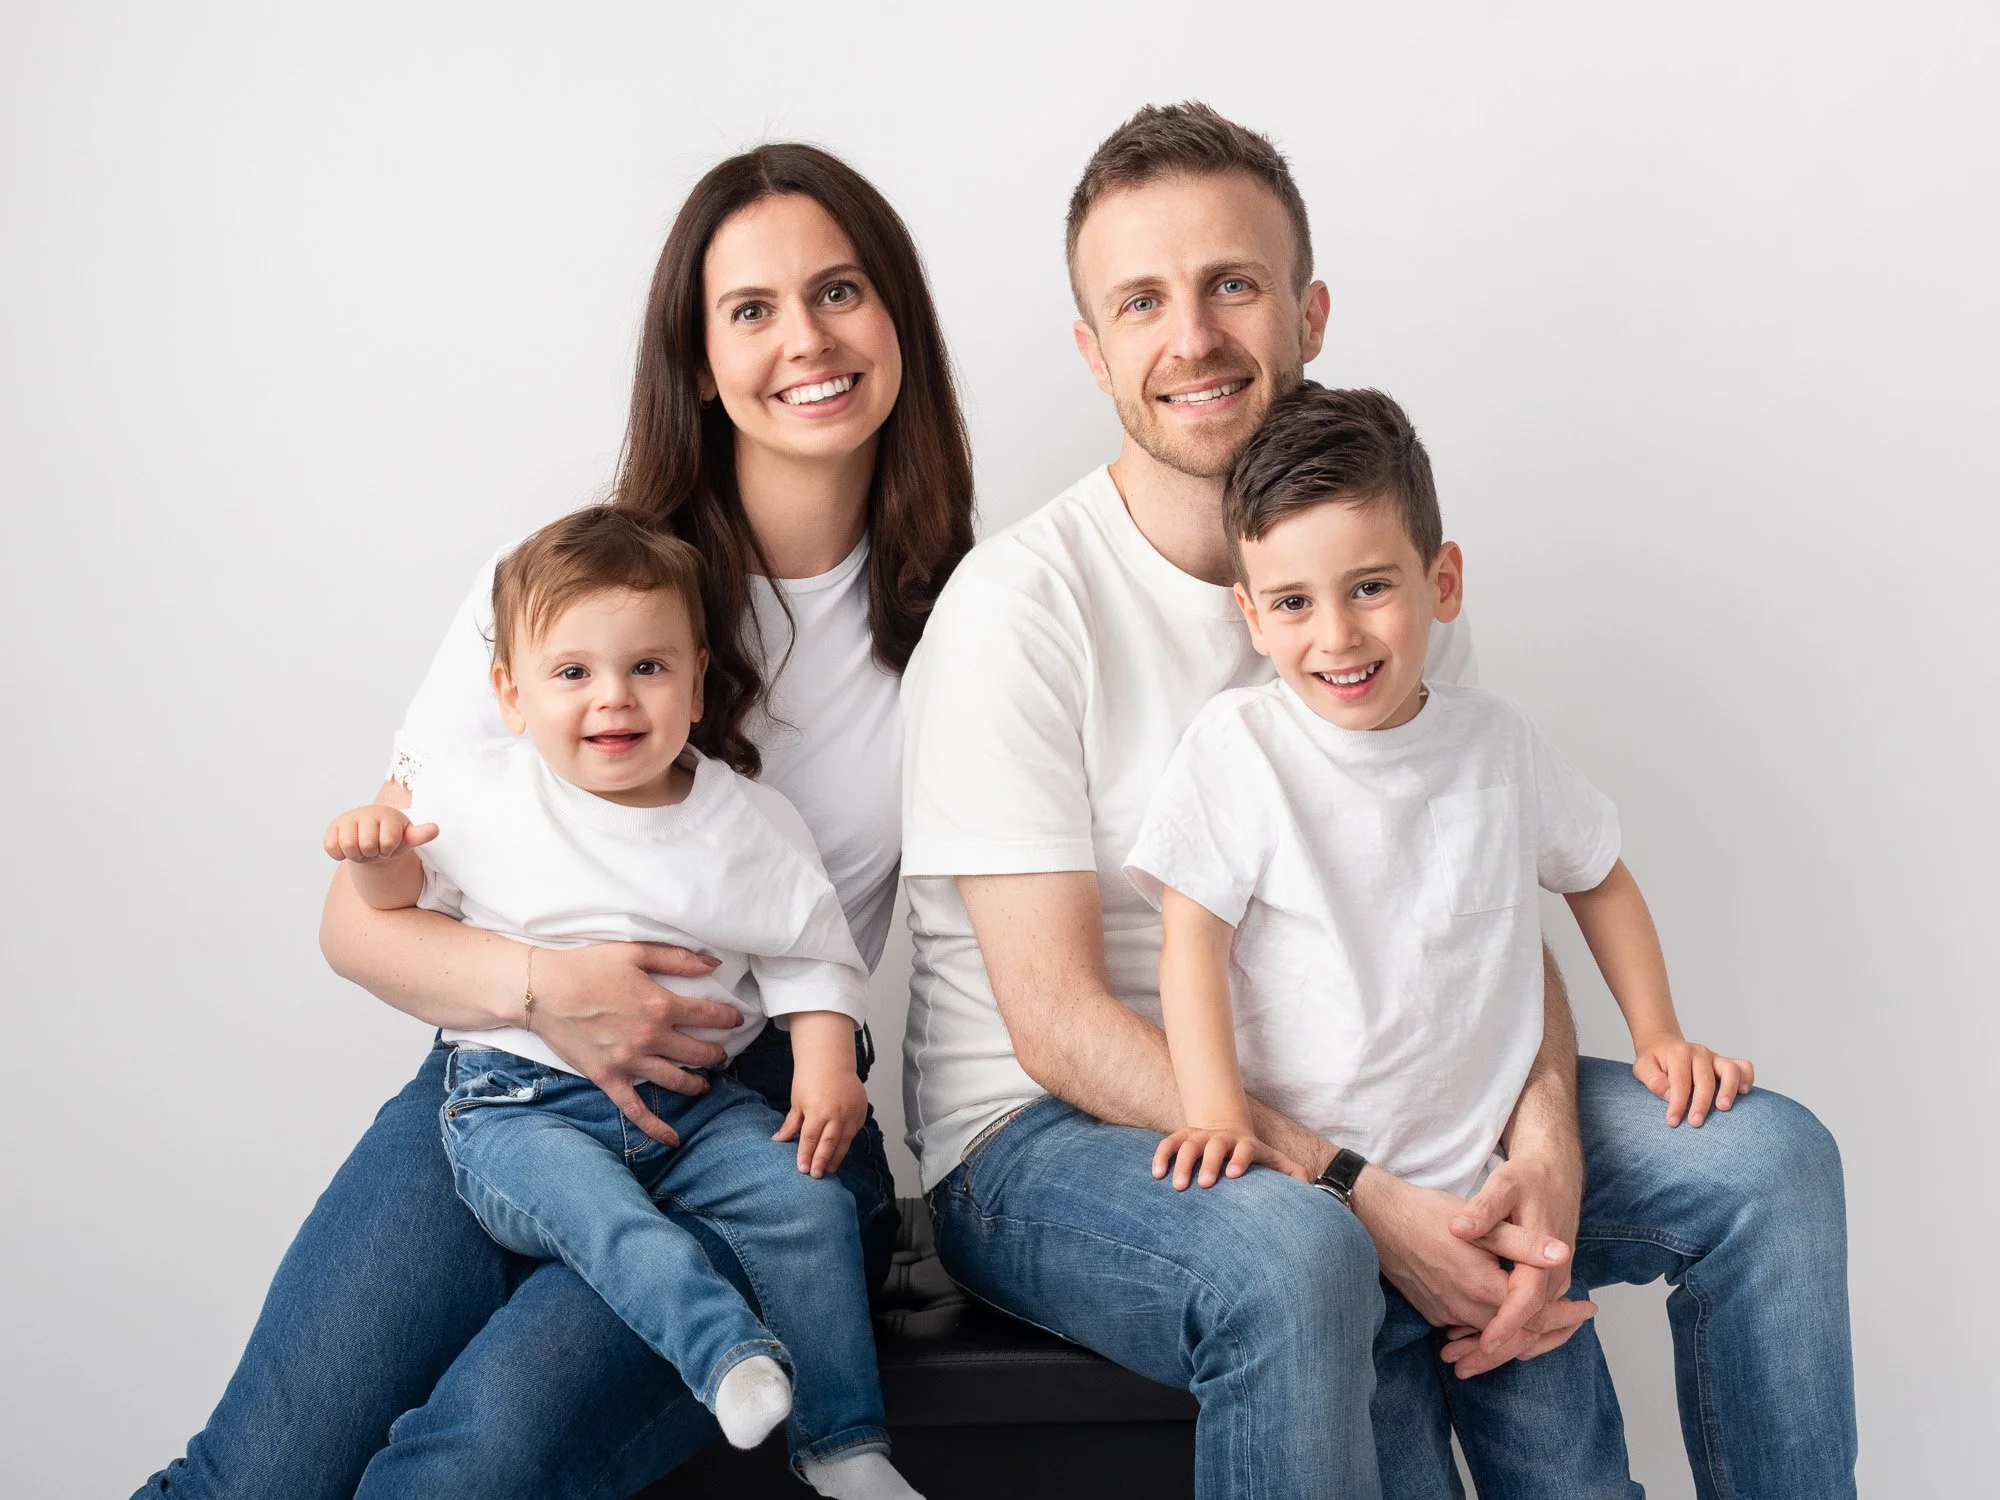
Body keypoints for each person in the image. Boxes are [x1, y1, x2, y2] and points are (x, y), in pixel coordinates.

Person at [900, 102, 1854, 1500]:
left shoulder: (1374, 568)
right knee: (1299, 1254)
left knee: (1769, 1163)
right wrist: (1366, 1193)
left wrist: (1539, 1159)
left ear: (1309, 311)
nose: (1196, 337)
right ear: (1094, 353)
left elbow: (1472, 897)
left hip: (1389, 1074)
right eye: (1143, 302)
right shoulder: (1019, 611)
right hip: (1055, 1135)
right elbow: (1053, 1025)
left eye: (1233, 283)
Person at [140, 142, 974, 1499]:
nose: (805, 339)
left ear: (900, 324)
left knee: (473, 1465)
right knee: (261, 1473)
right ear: (699, 362)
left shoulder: (970, 626)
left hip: (752, 1119)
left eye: (841, 291)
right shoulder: (565, 591)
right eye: (751, 309)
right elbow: (359, 928)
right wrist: (550, 990)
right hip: (500, 1078)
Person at [1127, 383, 1756, 1492]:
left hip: (1495, 1213)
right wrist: (1214, 1109)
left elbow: (1597, 878)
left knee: (1577, 1480)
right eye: (1290, 604)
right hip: (1338, 1229)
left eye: (1369, 588)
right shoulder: (1237, 750)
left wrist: (1654, 1033)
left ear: (1440, 581)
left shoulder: (1495, 745)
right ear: (1246, 612)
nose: (1335, 637)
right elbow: (1190, 941)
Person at [323, 506, 922, 1498]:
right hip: (522, 1110)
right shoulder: (476, 794)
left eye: (647, 668)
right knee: (604, 1218)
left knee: (800, 1204)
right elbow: (396, 908)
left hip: (705, 1105)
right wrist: (380, 858)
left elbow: (809, 955)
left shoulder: (744, 819)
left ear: (696, 680)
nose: (614, 699)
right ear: (510, 695)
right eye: (572, 674)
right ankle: (723, 1353)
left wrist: (823, 1064)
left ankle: (843, 1445)